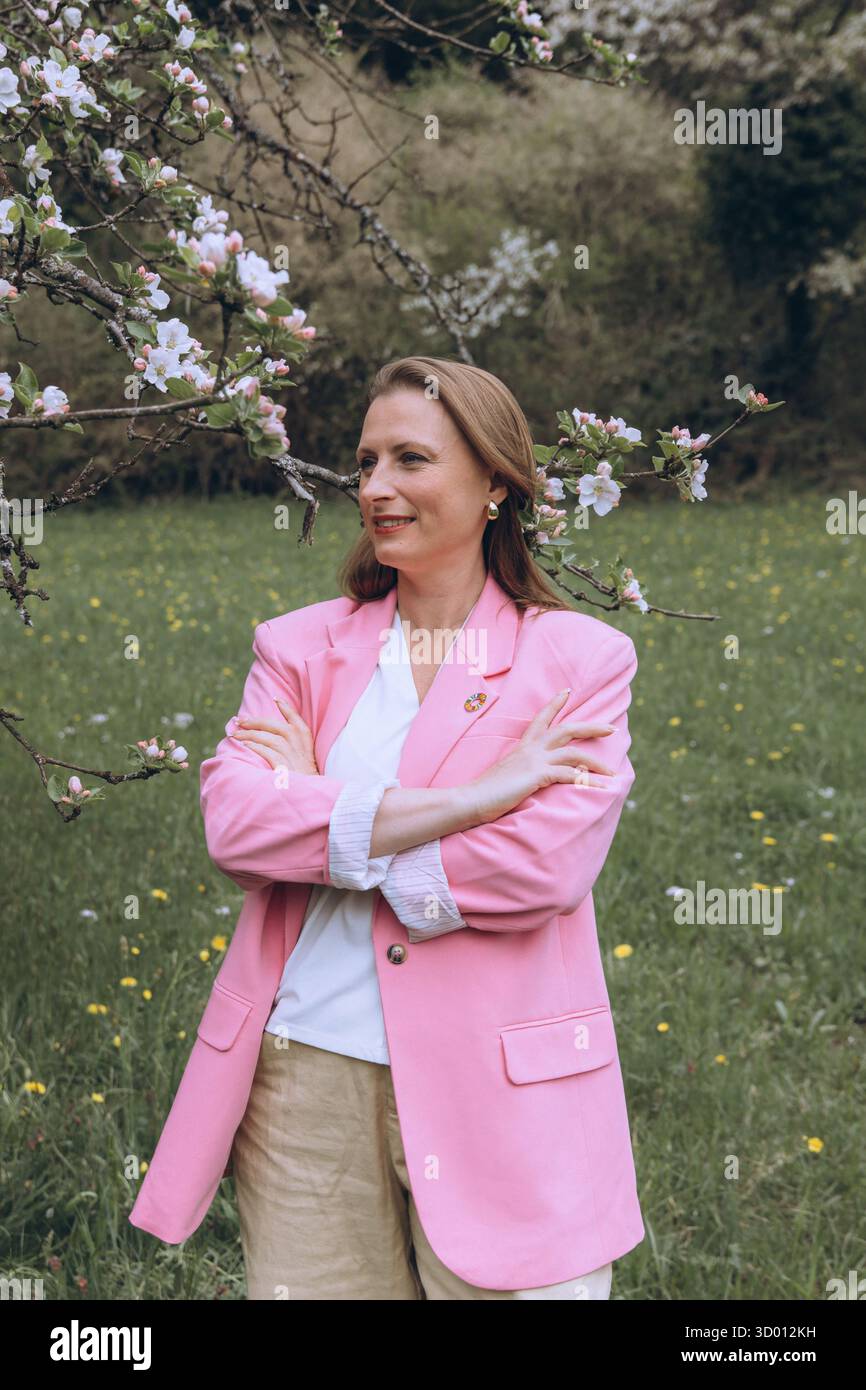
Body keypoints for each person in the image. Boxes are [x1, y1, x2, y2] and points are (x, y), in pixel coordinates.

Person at [128, 355, 644, 1299]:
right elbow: (237, 825)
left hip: (504, 1087)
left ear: (495, 482)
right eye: (366, 462)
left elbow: (542, 868)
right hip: (307, 1077)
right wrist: (476, 798)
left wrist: (326, 816)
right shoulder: (297, 647)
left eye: (411, 459)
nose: (375, 488)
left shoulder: (579, 658)